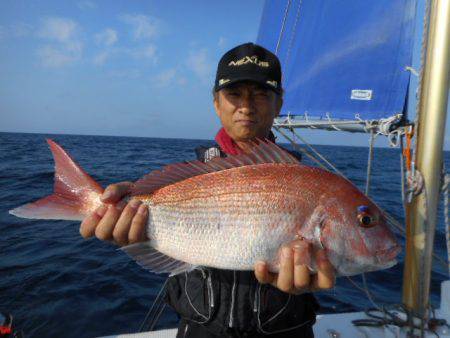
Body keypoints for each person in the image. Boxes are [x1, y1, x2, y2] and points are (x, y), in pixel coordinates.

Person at [79, 43, 335, 337]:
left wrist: (315, 274)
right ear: (216, 103)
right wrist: (126, 210)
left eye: (261, 94)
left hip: (286, 330)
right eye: (234, 94)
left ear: (279, 104)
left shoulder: (304, 181)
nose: (246, 106)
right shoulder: (186, 178)